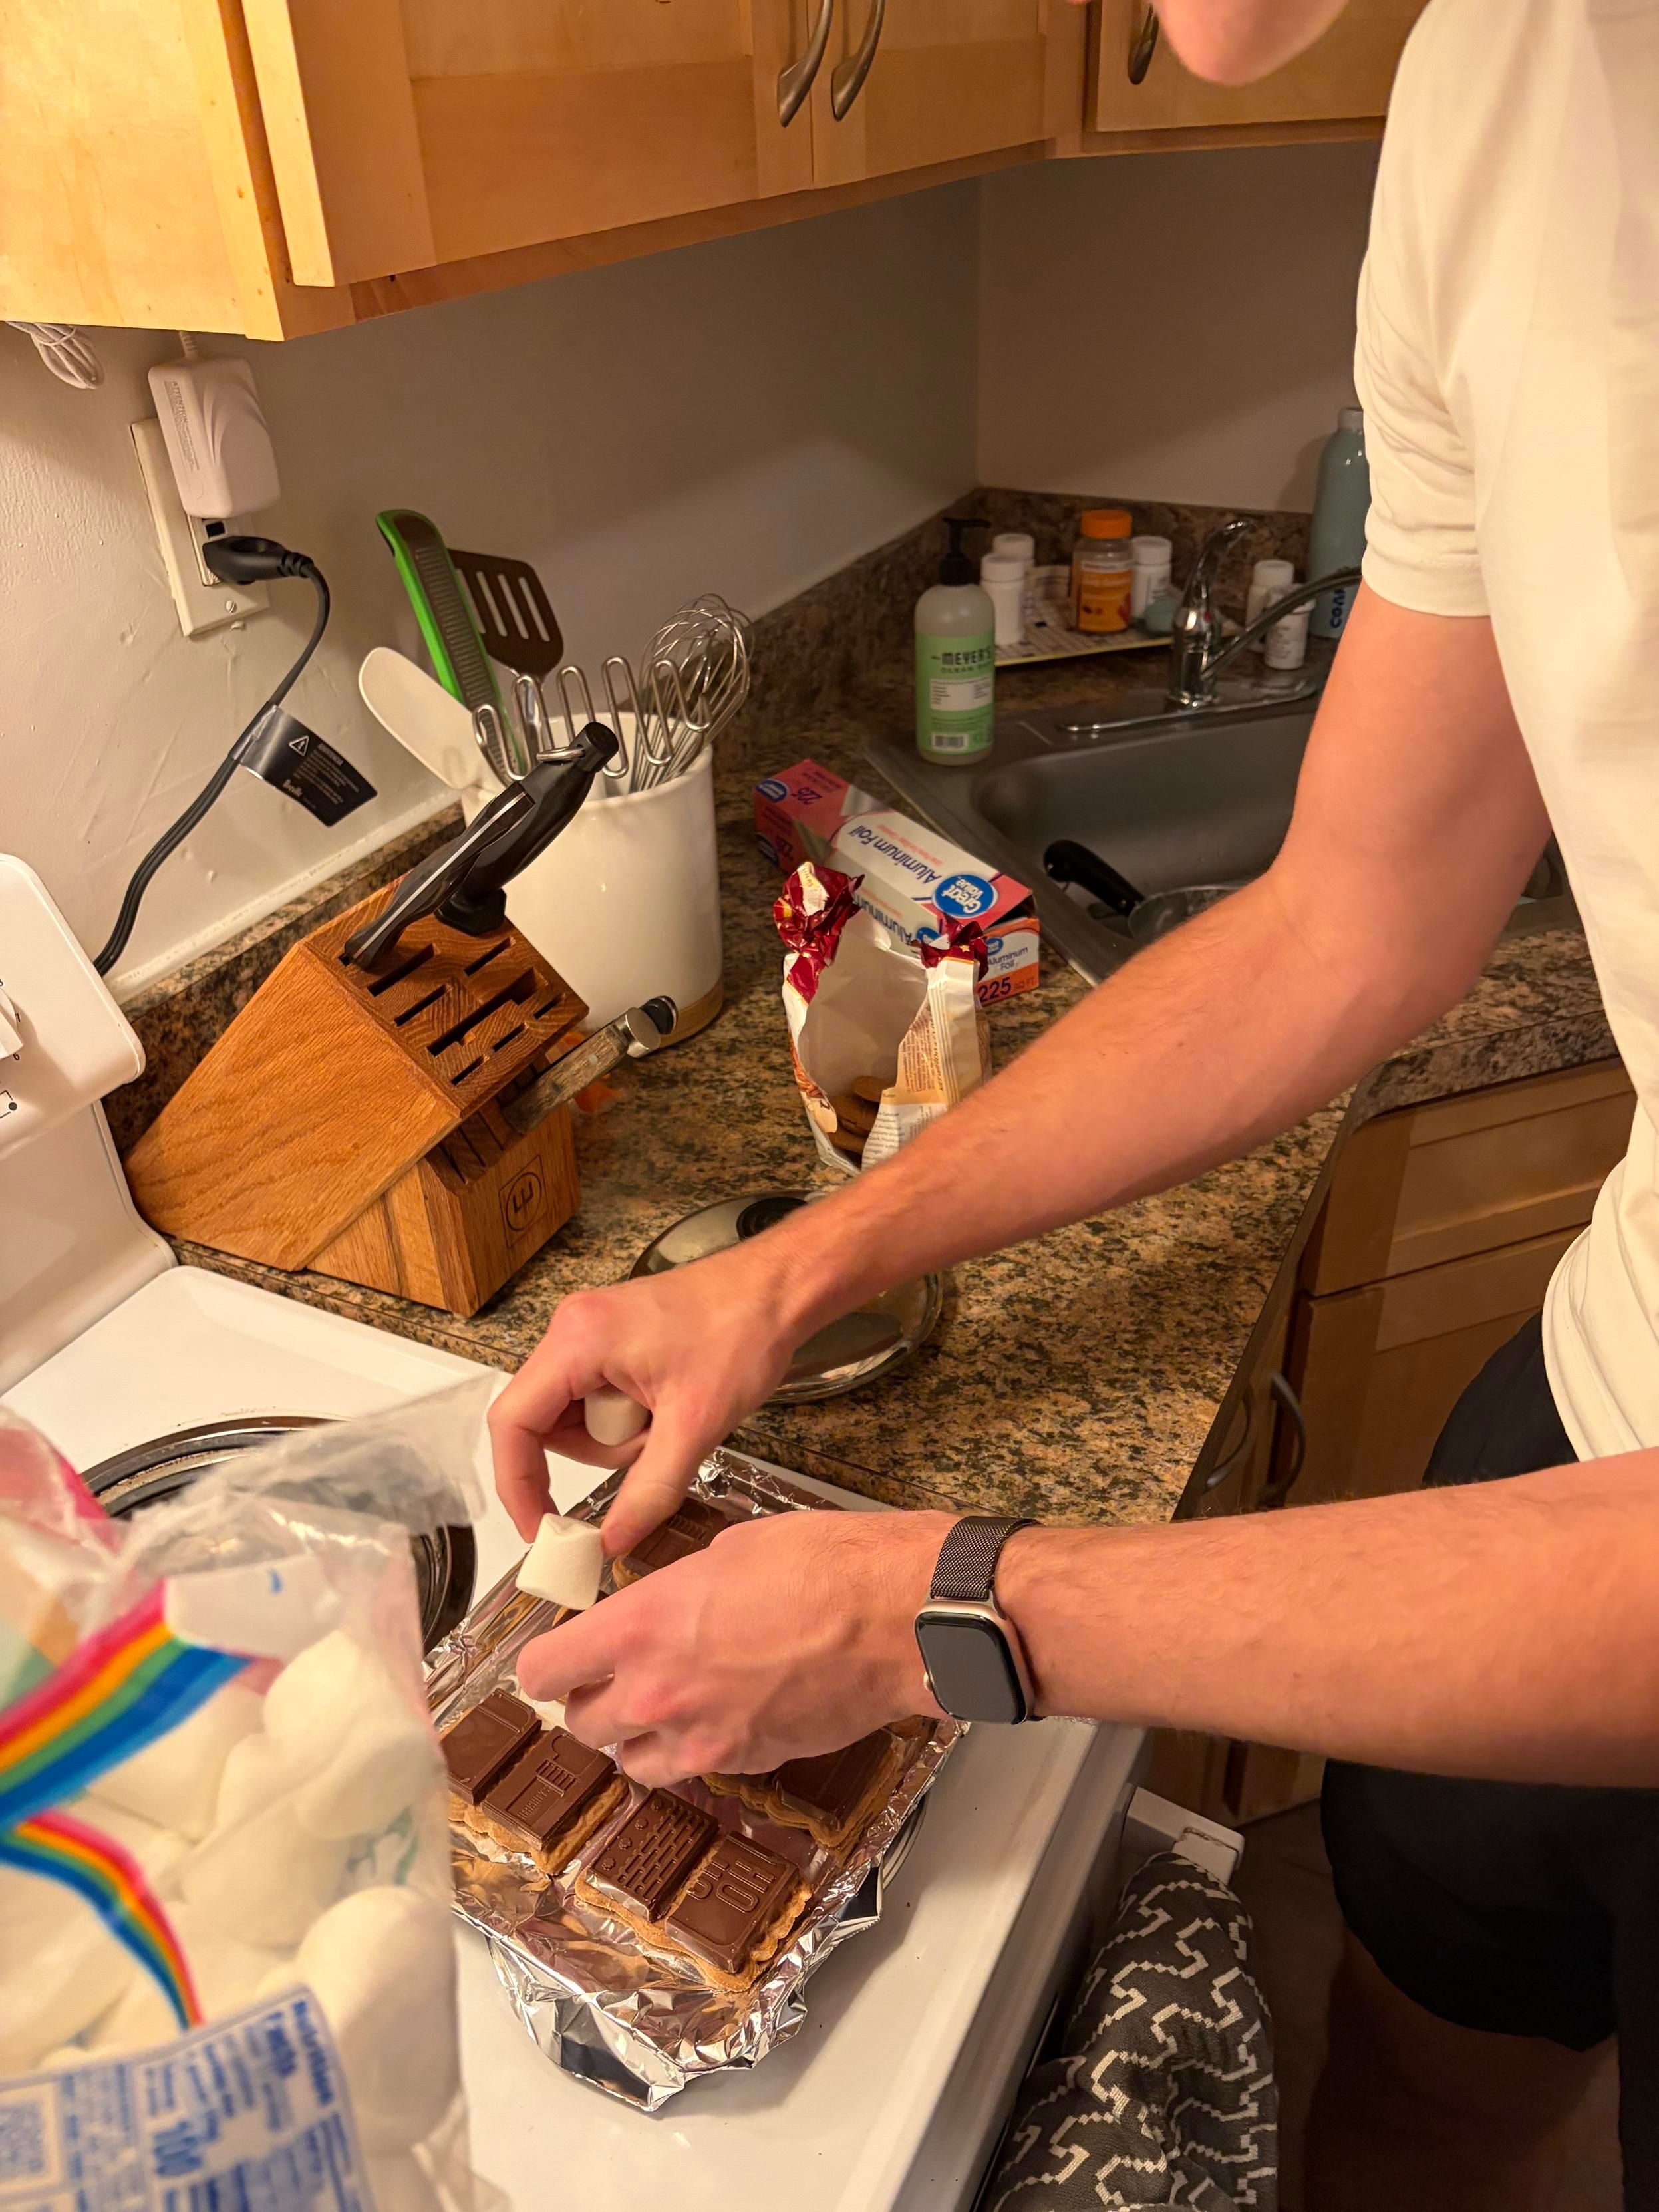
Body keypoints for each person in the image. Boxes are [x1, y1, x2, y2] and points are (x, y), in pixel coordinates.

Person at [490, 0, 1659, 2201]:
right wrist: (803, 1263)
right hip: (1609, 1383)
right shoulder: (1497, 86)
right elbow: (1351, 916)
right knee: (1420, 2050)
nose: (1172, 29)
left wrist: (934, 1612)